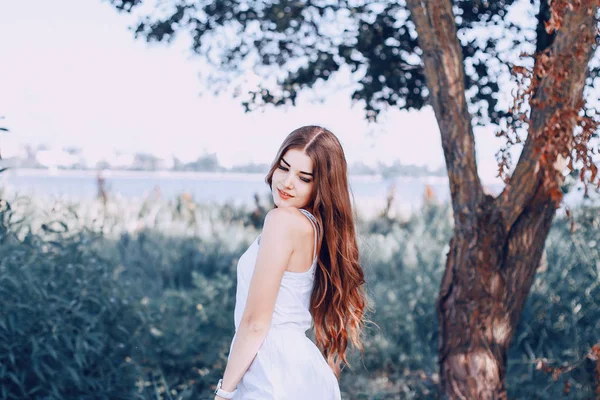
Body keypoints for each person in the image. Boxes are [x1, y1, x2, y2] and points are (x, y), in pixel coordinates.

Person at [214, 126, 367, 400]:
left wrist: (224, 393)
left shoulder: (282, 221)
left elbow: (255, 323)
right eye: (284, 168)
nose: (286, 183)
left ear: (321, 186)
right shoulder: (314, 227)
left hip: (272, 373)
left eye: (304, 178)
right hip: (295, 369)